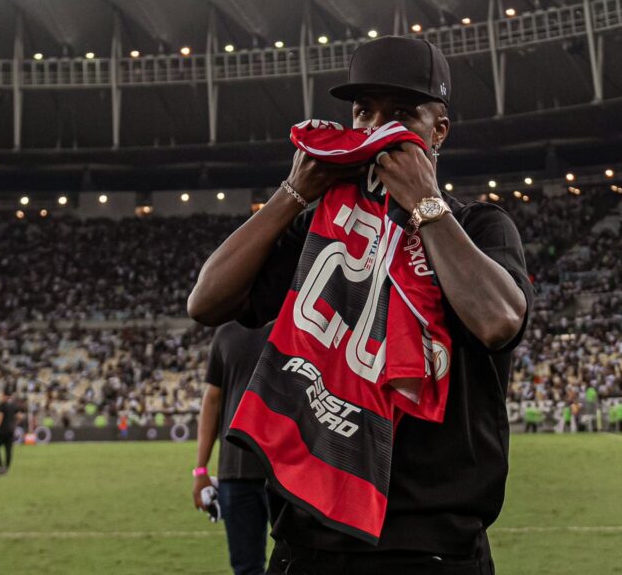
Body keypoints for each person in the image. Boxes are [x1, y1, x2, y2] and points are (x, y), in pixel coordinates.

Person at [187, 36, 532, 574]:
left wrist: (425, 204)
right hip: (310, 537)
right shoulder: (318, 226)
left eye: (401, 114)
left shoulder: (480, 227)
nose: (377, 129)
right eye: (364, 112)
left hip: (431, 542)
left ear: (438, 130)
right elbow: (207, 300)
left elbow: (498, 322)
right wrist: (294, 192)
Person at [192, 322, 279, 575]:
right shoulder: (225, 332)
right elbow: (212, 400)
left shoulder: (295, 321)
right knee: (245, 568)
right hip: (235, 473)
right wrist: (200, 470)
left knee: (299, 562)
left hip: (287, 471)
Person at [0, 389, 22, 476]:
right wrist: (14, 424)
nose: (1, 397)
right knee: (8, 450)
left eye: (2, 395)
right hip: (11, 431)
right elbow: (20, 416)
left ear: (4, 395)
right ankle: (6, 469)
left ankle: (1, 467)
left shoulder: (2, 405)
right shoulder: (13, 405)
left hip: (2, 431)